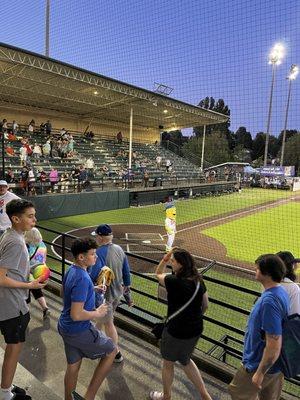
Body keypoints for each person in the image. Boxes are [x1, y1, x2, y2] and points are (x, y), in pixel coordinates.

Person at [58, 237, 117, 400]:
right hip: (79, 330)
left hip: (65, 328)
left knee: (73, 366)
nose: (96, 257)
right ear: (81, 257)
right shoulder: (83, 278)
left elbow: (63, 292)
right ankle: (89, 397)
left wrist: (92, 288)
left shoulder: (72, 270)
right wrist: (97, 313)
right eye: (92, 254)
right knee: (111, 351)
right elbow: (76, 315)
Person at [150, 248, 212, 400]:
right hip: (196, 328)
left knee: (168, 363)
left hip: (176, 331)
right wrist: (192, 318)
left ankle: (166, 396)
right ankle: (205, 395)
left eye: (173, 261)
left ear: (181, 264)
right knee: (186, 360)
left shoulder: (173, 281)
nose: (171, 263)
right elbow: (206, 305)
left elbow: (158, 274)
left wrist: (164, 259)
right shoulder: (198, 280)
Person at [0, 199, 46, 400]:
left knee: (13, 348)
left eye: (34, 215)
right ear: (15, 218)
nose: (34, 219)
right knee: (13, 349)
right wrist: (31, 285)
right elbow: (1, 278)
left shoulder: (10, 235)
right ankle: (5, 394)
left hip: (11, 303)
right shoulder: (16, 243)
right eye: (30, 216)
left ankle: (6, 388)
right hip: (12, 306)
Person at [228, 254, 290, 400]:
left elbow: (274, 343)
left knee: (237, 393)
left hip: (258, 364)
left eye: (257, 269)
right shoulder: (280, 291)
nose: (255, 271)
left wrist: (260, 372)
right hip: (275, 366)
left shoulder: (269, 301)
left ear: (267, 274)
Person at [89, 224, 131, 363]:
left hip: (104, 296)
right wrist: (127, 293)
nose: (95, 237)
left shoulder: (98, 253)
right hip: (117, 293)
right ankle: (94, 338)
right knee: (103, 319)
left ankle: (116, 353)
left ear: (100, 237)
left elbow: (94, 275)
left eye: (96, 235)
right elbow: (126, 271)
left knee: (109, 323)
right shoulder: (119, 249)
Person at [24, 228, 50, 319]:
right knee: (37, 290)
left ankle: (25, 314)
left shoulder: (26, 246)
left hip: (29, 272)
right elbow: (44, 260)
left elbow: (24, 262)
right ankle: (45, 308)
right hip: (41, 272)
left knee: (25, 292)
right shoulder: (43, 245)